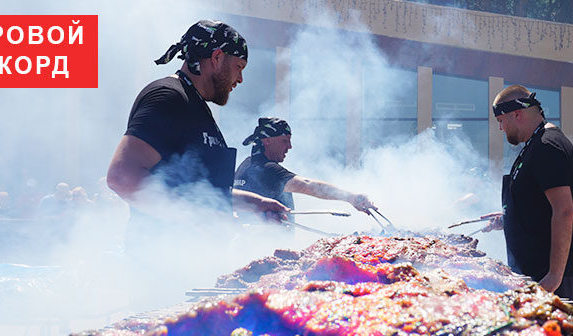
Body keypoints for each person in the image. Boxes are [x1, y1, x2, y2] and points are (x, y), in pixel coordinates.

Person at [105, 20, 287, 231]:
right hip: (162, 260)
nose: (241, 78)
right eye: (239, 67)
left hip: (197, 260)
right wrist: (201, 218)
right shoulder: (168, 97)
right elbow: (122, 177)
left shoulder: (196, 105)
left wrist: (257, 204)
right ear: (217, 57)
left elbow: (203, 193)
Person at [482, 85, 573, 300]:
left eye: (501, 121)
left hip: (547, 275)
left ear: (517, 114)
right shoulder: (535, 145)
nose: (501, 128)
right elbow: (540, 206)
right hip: (536, 270)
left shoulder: (548, 146)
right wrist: (510, 217)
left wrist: (554, 276)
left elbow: (564, 211)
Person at [234, 118, 376, 220]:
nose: (289, 147)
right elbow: (307, 185)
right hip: (268, 250)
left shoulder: (245, 165)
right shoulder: (268, 170)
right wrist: (351, 197)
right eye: (285, 141)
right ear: (267, 141)